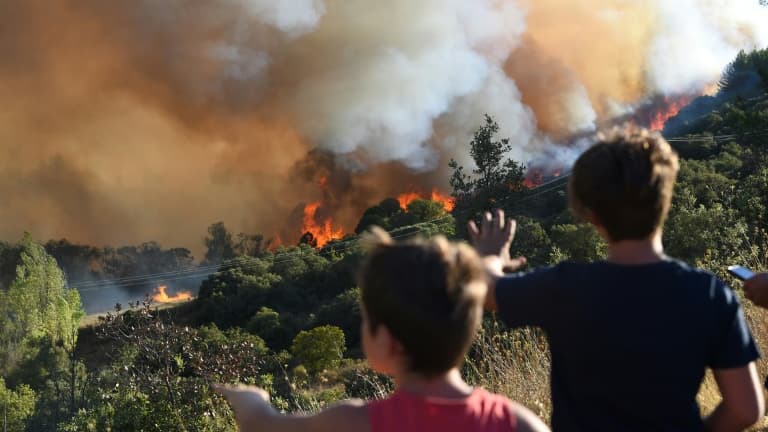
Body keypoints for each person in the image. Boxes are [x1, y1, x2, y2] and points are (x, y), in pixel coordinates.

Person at [470, 128, 764, 431]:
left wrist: (490, 257)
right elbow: (745, 410)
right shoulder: (709, 293)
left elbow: (487, 291)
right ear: (665, 197)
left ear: (589, 213)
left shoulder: (563, 288)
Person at [215, 228, 549, 432]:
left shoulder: (353, 423)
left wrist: (249, 400)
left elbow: (263, 426)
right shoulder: (517, 423)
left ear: (386, 341)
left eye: (366, 319)